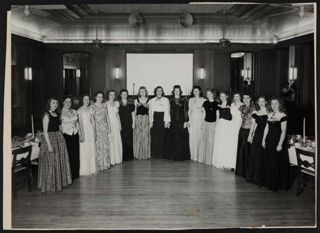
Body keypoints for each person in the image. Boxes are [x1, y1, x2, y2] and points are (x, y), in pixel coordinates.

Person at [38, 97, 72, 192]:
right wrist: (49, 145)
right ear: (49, 104)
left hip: (58, 137)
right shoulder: (46, 115)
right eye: (53, 103)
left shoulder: (57, 113)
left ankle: (58, 183)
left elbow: (59, 126)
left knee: (59, 161)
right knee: (51, 162)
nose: (55, 104)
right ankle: (50, 185)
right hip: (50, 139)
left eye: (56, 103)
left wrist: (62, 137)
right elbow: (45, 132)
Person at [262, 98, 290, 191]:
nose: (274, 106)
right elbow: (266, 128)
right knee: (269, 161)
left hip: (278, 140)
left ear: (280, 104)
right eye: (272, 104)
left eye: (276, 104)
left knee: (276, 162)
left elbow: (283, 131)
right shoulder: (269, 114)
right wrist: (263, 140)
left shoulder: (283, 115)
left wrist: (280, 144)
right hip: (269, 140)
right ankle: (269, 182)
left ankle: (277, 184)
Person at [246, 96, 268, 186]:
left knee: (261, 155)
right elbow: (253, 125)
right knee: (254, 154)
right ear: (258, 103)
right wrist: (250, 135)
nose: (261, 103)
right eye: (260, 101)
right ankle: (252, 176)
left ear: (266, 102)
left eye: (263, 101)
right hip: (257, 135)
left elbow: (268, 126)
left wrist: (264, 140)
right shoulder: (255, 112)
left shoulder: (269, 112)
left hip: (266, 135)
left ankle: (260, 178)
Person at [168, 85, 190, 161]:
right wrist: (168, 121)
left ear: (180, 91)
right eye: (175, 90)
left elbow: (186, 111)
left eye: (178, 90)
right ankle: (174, 156)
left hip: (181, 121)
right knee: (174, 138)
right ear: (173, 92)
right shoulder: (170, 100)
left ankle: (181, 156)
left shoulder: (184, 100)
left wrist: (186, 121)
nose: (177, 92)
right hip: (173, 121)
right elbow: (169, 111)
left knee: (181, 138)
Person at [61, 95, 80, 181]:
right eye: (66, 102)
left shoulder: (73, 111)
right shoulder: (60, 112)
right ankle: (69, 176)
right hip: (66, 135)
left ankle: (75, 174)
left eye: (69, 102)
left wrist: (80, 133)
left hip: (74, 134)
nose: (68, 103)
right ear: (63, 103)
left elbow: (77, 123)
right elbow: (59, 126)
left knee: (75, 154)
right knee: (68, 155)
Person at [198, 89, 219, 165]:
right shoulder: (205, 102)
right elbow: (204, 114)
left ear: (213, 94)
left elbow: (217, 116)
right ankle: (203, 159)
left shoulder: (216, 103)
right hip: (205, 123)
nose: (208, 95)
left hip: (213, 124)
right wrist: (202, 123)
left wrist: (216, 125)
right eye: (207, 94)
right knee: (203, 141)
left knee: (210, 142)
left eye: (210, 94)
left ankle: (209, 160)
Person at [212, 91, 233, 169]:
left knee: (226, 143)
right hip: (220, 125)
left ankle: (226, 161)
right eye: (221, 96)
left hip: (228, 125)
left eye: (223, 96)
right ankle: (219, 161)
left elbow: (232, 117)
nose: (222, 97)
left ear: (227, 96)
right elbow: (217, 117)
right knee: (220, 142)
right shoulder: (218, 105)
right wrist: (216, 127)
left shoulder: (230, 104)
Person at [235, 93, 254, 178]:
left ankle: (248, 172)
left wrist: (252, 134)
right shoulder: (241, 108)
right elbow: (238, 119)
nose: (245, 100)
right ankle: (241, 171)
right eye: (244, 98)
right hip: (242, 130)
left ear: (250, 98)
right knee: (241, 150)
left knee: (248, 150)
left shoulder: (254, 108)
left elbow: (255, 122)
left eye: (247, 98)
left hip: (250, 131)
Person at [77, 94, 97, 176]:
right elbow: (80, 123)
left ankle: (92, 169)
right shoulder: (79, 110)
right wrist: (82, 134)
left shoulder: (91, 109)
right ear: (82, 100)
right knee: (84, 149)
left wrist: (94, 132)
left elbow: (93, 121)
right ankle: (85, 170)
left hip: (90, 129)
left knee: (91, 148)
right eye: (85, 99)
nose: (87, 101)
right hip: (84, 129)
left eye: (88, 99)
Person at [91, 91, 111, 171]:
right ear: (95, 97)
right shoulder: (92, 106)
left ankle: (106, 163)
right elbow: (92, 119)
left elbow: (107, 117)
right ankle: (99, 165)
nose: (100, 98)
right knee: (99, 146)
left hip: (105, 127)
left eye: (102, 97)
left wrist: (109, 127)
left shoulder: (104, 105)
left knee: (105, 145)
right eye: (99, 97)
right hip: (97, 128)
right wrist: (94, 130)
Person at [149, 86, 170, 159]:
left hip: (162, 118)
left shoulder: (166, 100)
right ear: (155, 92)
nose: (159, 92)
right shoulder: (152, 100)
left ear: (162, 92)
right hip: (155, 118)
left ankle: (162, 154)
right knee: (155, 137)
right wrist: (151, 121)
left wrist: (167, 121)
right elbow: (150, 112)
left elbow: (167, 111)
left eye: (160, 91)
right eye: (158, 91)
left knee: (162, 136)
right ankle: (155, 154)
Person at [188, 86, 206, 161]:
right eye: (194, 91)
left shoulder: (203, 100)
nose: (195, 92)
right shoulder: (190, 100)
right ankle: (193, 155)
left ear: (200, 91)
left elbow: (204, 112)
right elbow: (189, 111)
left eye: (197, 91)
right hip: (192, 120)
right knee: (192, 138)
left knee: (199, 137)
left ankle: (199, 156)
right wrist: (188, 121)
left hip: (199, 120)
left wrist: (202, 122)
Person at [133, 86, 151, 160]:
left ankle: (146, 154)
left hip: (146, 119)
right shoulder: (136, 100)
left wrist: (150, 121)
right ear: (139, 92)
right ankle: (138, 154)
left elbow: (150, 112)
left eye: (144, 91)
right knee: (138, 136)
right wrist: (134, 122)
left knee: (145, 136)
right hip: (138, 119)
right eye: (141, 91)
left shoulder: (149, 100)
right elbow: (134, 112)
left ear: (146, 92)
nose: (142, 93)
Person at [106, 90, 123, 165]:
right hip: (109, 123)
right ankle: (111, 160)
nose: (112, 96)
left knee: (117, 140)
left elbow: (117, 115)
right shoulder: (105, 104)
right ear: (108, 95)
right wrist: (107, 125)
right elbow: (106, 116)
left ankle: (117, 159)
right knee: (111, 140)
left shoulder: (116, 103)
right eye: (111, 95)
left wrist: (119, 124)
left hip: (116, 123)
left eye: (113, 95)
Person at [119, 89, 135, 162]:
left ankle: (129, 156)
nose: (124, 95)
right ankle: (123, 156)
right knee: (122, 139)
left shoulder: (131, 102)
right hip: (120, 123)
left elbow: (133, 114)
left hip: (129, 123)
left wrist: (133, 123)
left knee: (129, 139)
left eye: (125, 94)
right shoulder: (117, 103)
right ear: (120, 95)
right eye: (123, 94)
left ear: (127, 95)